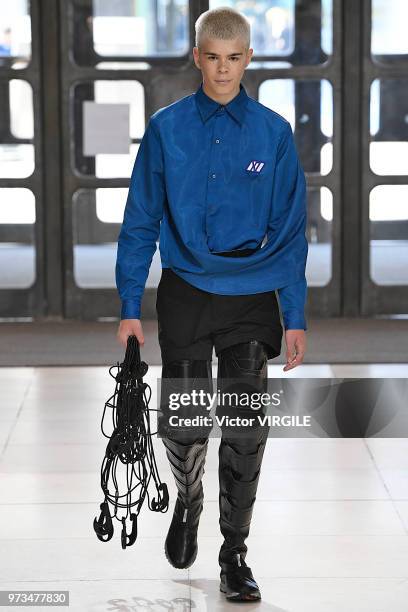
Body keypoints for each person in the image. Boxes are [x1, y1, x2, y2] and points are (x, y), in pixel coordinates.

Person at [115, 6, 308, 603]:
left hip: (252, 295)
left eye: (235, 57)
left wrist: (294, 314)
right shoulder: (166, 129)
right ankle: (188, 496)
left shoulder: (274, 134)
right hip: (187, 292)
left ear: (248, 58)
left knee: (247, 430)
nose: (223, 69)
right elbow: (140, 220)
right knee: (187, 423)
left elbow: (293, 227)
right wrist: (128, 306)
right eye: (212, 56)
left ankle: (234, 553)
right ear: (196, 57)